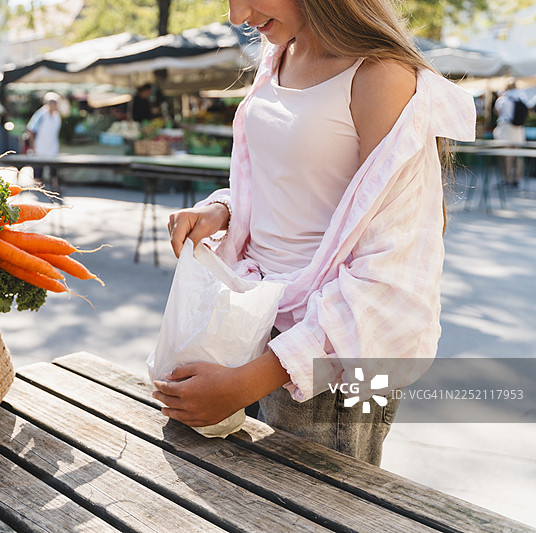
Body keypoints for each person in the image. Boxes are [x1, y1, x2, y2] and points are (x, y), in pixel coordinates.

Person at [153, 0, 475, 465]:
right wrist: (223, 209)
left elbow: (394, 275)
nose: (237, 17)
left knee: (316, 503)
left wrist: (248, 381)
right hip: (252, 331)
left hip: (332, 371)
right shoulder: (281, 51)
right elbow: (296, 185)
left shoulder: (381, 77)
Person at [493, 79, 527, 189]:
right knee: (518, 155)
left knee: (506, 155)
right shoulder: (522, 97)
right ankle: (517, 180)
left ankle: (507, 180)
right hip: (518, 128)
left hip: (506, 127)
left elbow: (497, 111)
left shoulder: (503, 99)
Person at [25, 92, 62, 157]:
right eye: (52, 102)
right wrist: (32, 146)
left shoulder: (57, 116)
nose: (54, 104)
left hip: (53, 150)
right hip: (39, 149)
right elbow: (30, 130)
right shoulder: (41, 114)